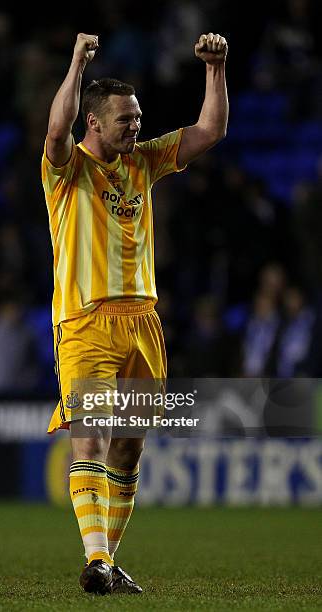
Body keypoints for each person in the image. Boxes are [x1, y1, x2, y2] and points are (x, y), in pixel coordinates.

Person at [41, 31, 228, 595]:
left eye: (138, 116)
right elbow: (55, 130)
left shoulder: (143, 162)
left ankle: (107, 562)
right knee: (92, 436)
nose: (136, 126)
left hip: (144, 324)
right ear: (94, 123)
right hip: (88, 322)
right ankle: (94, 558)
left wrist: (216, 69)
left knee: (129, 444)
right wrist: (75, 64)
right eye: (125, 119)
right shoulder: (66, 170)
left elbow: (210, 130)